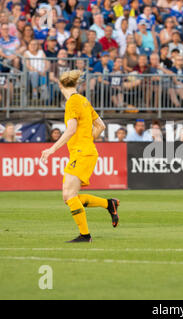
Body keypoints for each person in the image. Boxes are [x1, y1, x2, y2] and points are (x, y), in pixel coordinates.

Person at [40, 70, 120, 243]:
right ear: (75, 85)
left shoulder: (72, 103)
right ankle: (109, 204)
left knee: (69, 196)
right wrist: (87, 140)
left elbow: (71, 129)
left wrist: (52, 149)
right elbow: (101, 125)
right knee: (69, 196)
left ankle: (85, 235)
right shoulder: (83, 100)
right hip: (85, 151)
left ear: (60, 85)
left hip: (81, 153)